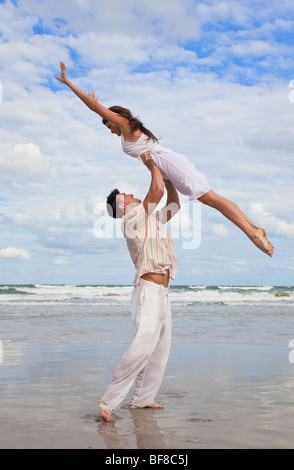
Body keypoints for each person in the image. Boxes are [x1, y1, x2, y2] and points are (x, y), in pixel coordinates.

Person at [55, 62, 274, 257]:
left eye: (109, 124)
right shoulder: (127, 134)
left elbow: (94, 108)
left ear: (117, 118)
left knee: (210, 198)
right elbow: (170, 201)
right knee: (209, 200)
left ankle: (253, 231)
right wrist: (161, 174)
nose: (110, 130)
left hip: (170, 162)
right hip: (165, 168)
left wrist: (69, 83)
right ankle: (254, 230)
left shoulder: (126, 126)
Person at [99, 152, 179, 421]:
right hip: (147, 291)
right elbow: (154, 192)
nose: (131, 194)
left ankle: (143, 399)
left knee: (160, 347)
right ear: (121, 206)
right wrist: (152, 165)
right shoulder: (131, 220)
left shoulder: (150, 220)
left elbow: (174, 204)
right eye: (126, 195)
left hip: (163, 292)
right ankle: (109, 401)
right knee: (143, 345)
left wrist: (167, 177)